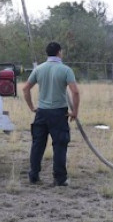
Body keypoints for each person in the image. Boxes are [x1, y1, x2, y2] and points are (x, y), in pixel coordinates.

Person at [21, 41, 80, 186]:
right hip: (59, 113)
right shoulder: (65, 70)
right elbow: (75, 91)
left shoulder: (39, 69)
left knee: (37, 145)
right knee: (60, 145)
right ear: (59, 52)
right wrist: (75, 112)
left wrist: (32, 107)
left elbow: (25, 89)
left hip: (41, 113)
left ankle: (34, 176)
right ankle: (60, 178)